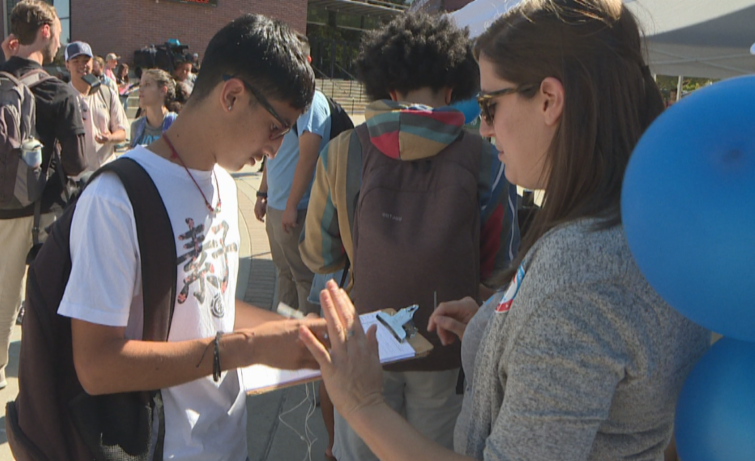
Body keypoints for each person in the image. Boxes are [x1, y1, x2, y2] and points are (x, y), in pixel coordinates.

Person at [299, 2, 712, 460]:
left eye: (490, 105)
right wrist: (495, 325)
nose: (486, 128)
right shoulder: (634, 222)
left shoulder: (578, 283)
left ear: (549, 100)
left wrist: (361, 404)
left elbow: (567, 317)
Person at [58, 14, 324, 460]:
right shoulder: (115, 199)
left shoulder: (220, 180)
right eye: (276, 127)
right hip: (162, 446)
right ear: (232, 95)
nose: (277, 148)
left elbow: (206, 303)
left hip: (226, 440)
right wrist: (250, 348)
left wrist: (297, 332)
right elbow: (96, 365)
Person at [299, 13, 518, 461]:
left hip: (366, 342)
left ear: (389, 91)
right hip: (447, 344)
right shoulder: (485, 157)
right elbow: (500, 266)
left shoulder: (344, 151)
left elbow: (319, 255)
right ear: (454, 90)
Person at [0, 0, 87, 390]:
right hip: (49, 208)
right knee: (52, 291)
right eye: (58, 33)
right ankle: (49, 374)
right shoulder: (58, 89)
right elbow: (76, 164)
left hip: (1, 206)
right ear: (47, 31)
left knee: (3, 293)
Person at [255, 36, 331, 317]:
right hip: (276, 206)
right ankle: (281, 333)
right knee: (283, 274)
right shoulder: (283, 103)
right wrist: (262, 194)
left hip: (296, 210)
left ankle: (305, 346)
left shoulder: (312, 103)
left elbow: (308, 158)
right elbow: (271, 154)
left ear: (307, 62)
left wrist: (290, 206)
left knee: (303, 279)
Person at [65, 42, 128, 172]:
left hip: (105, 174)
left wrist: (110, 138)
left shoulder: (107, 93)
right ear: (67, 65)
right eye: (76, 61)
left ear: (92, 62)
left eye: (86, 60)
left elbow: (123, 132)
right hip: (74, 179)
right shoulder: (62, 96)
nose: (82, 65)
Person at [130, 68, 178, 147]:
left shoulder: (176, 124)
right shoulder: (136, 126)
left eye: (147, 84)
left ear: (163, 90)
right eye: (140, 85)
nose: (140, 90)